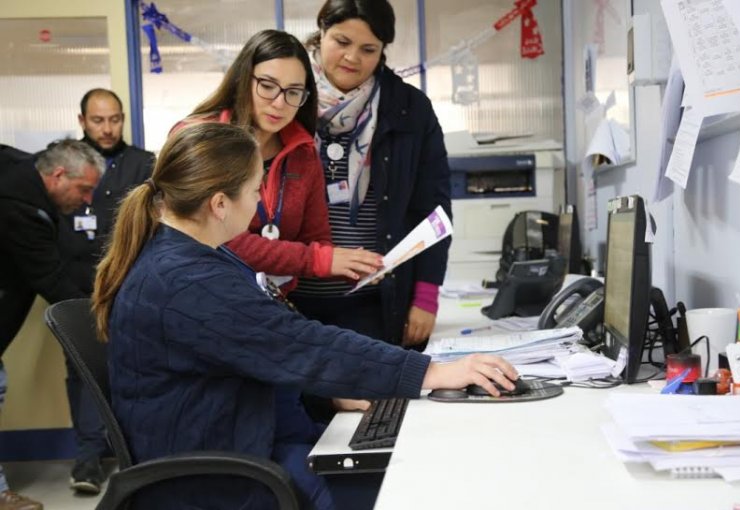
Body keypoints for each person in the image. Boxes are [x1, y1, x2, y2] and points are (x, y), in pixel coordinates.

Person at [92, 122, 517, 510]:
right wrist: (432, 373)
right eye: (256, 189)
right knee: (412, 485)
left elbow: (256, 349)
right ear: (220, 203)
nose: (259, 204)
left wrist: (327, 396)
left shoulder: (192, 259)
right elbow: (300, 343)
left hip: (241, 438)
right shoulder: (187, 281)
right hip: (224, 477)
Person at [291, 0, 452, 347]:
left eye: (369, 49)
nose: (352, 58)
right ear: (321, 34)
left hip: (373, 302)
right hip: (290, 296)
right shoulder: (286, 101)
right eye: (342, 42)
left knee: (365, 396)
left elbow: (433, 211)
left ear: (383, 51)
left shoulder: (410, 109)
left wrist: (426, 296)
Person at [176, 29, 383, 293]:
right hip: (198, 296)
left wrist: (356, 266)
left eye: (293, 92)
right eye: (267, 86)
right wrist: (319, 260)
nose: (279, 103)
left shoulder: (304, 152)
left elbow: (316, 240)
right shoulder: (198, 138)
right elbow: (218, 237)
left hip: (267, 304)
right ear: (243, 79)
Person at [55, 88, 156, 494]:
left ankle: (142, 457)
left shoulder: (142, 164)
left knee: (137, 370)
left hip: (131, 288)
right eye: (98, 120)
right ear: (82, 121)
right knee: (83, 374)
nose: (108, 127)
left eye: (115, 118)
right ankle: (88, 461)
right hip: (78, 288)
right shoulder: (63, 162)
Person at [0, 140, 105, 510]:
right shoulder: (24, 209)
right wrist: (99, 316)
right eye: (84, 189)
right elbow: (51, 281)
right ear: (58, 175)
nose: (88, 199)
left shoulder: (19, 168)